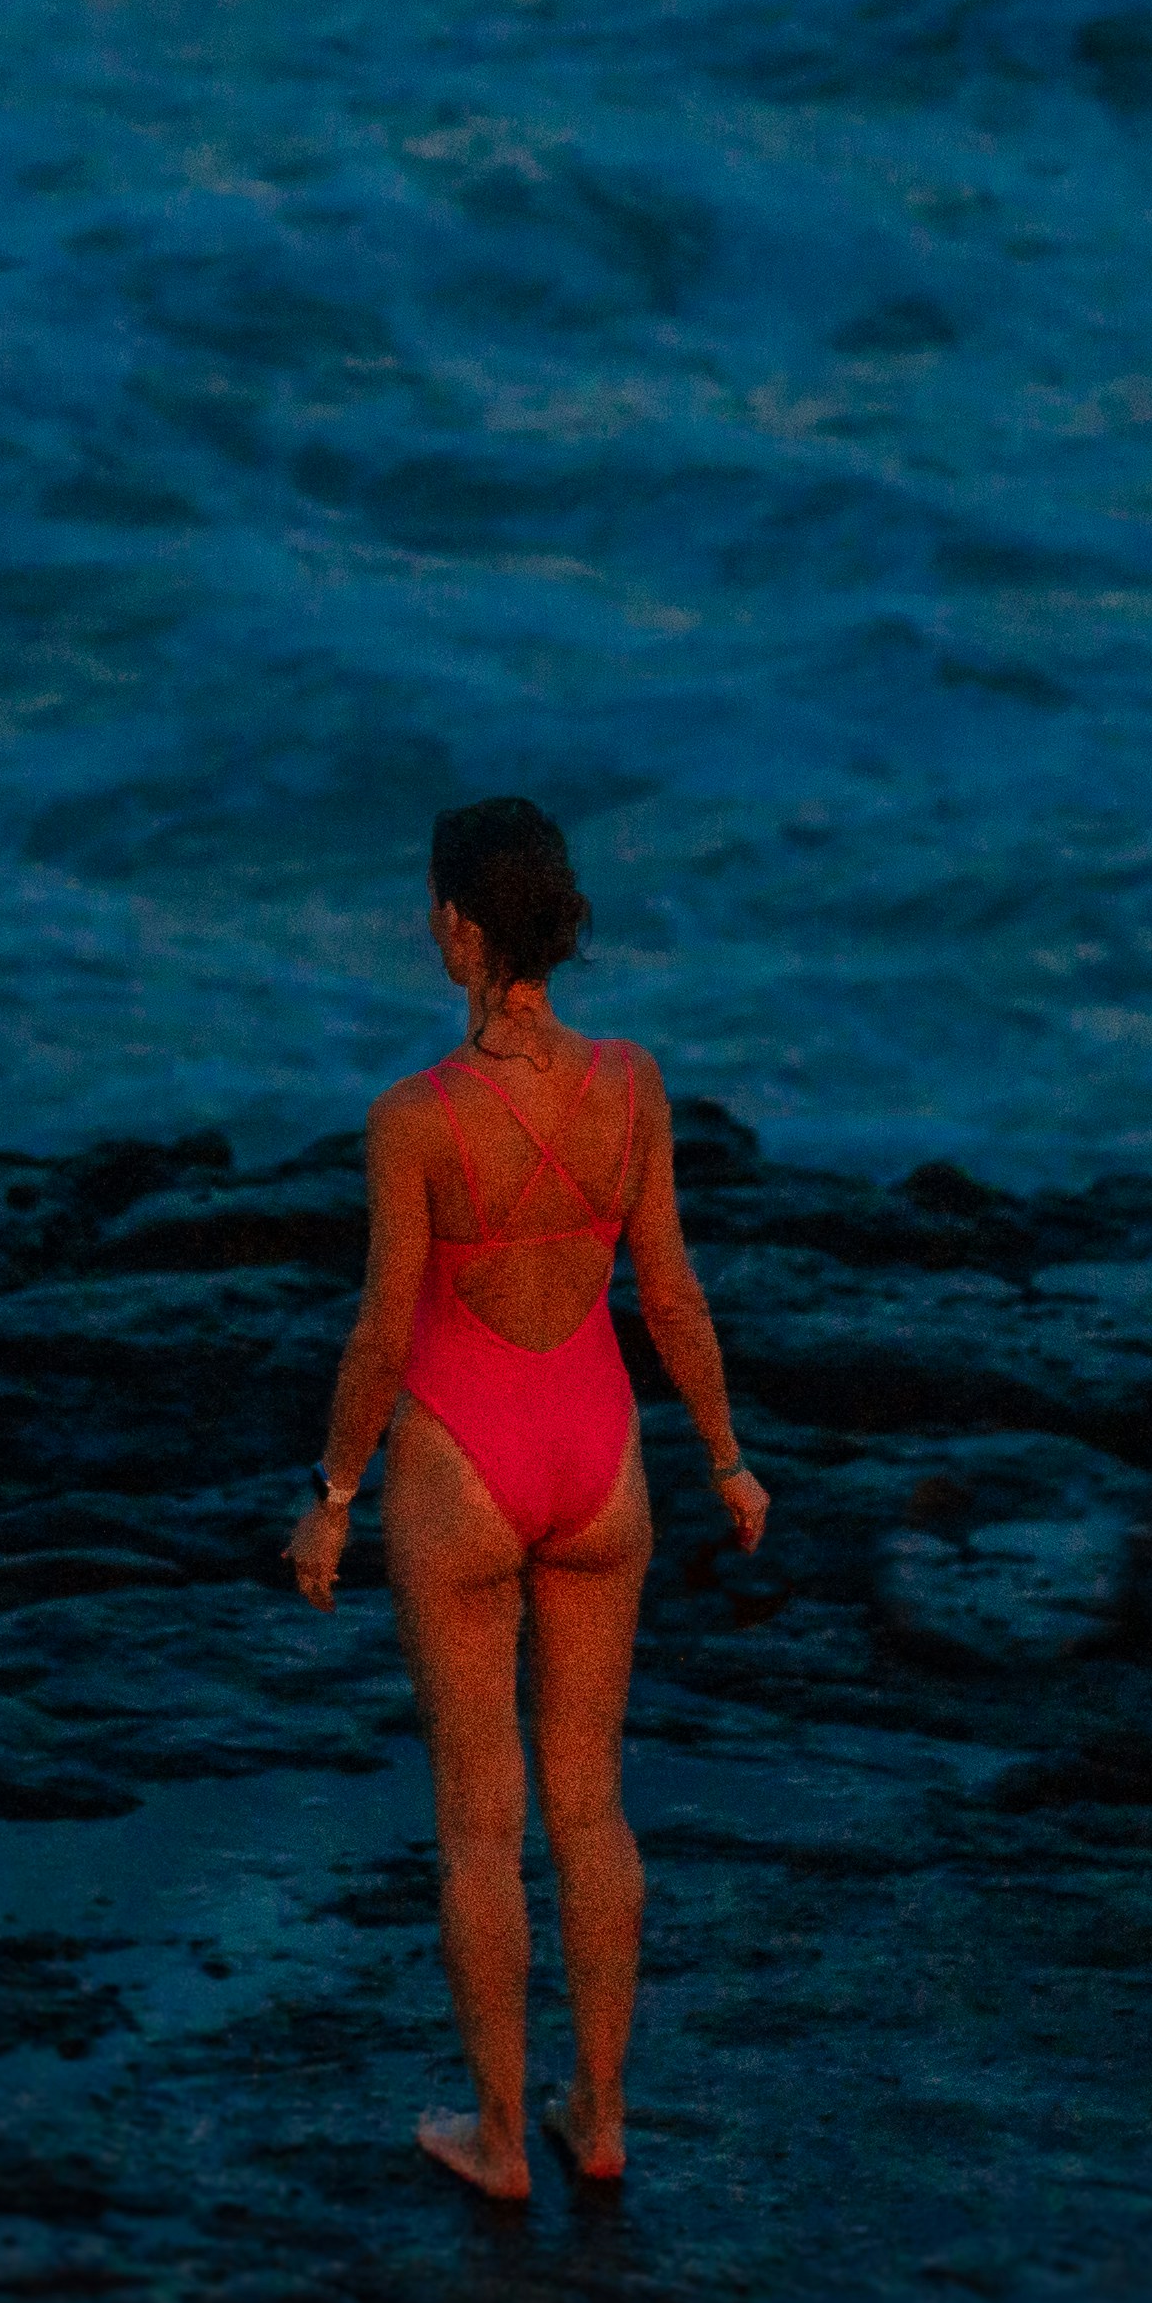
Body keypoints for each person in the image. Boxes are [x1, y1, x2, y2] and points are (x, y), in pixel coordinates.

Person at [284, 796, 769, 2202]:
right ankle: (599, 2118)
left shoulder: (414, 1121)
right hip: (603, 1462)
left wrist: (330, 1495)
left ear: (463, 928)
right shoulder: (632, 1084)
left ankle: (500, 2138)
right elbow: (669, 1294)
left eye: (437, 907)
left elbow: (382, 1336)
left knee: (479, 1826)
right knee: (592, 1807)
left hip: (461, 1471)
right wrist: (729, 1459)